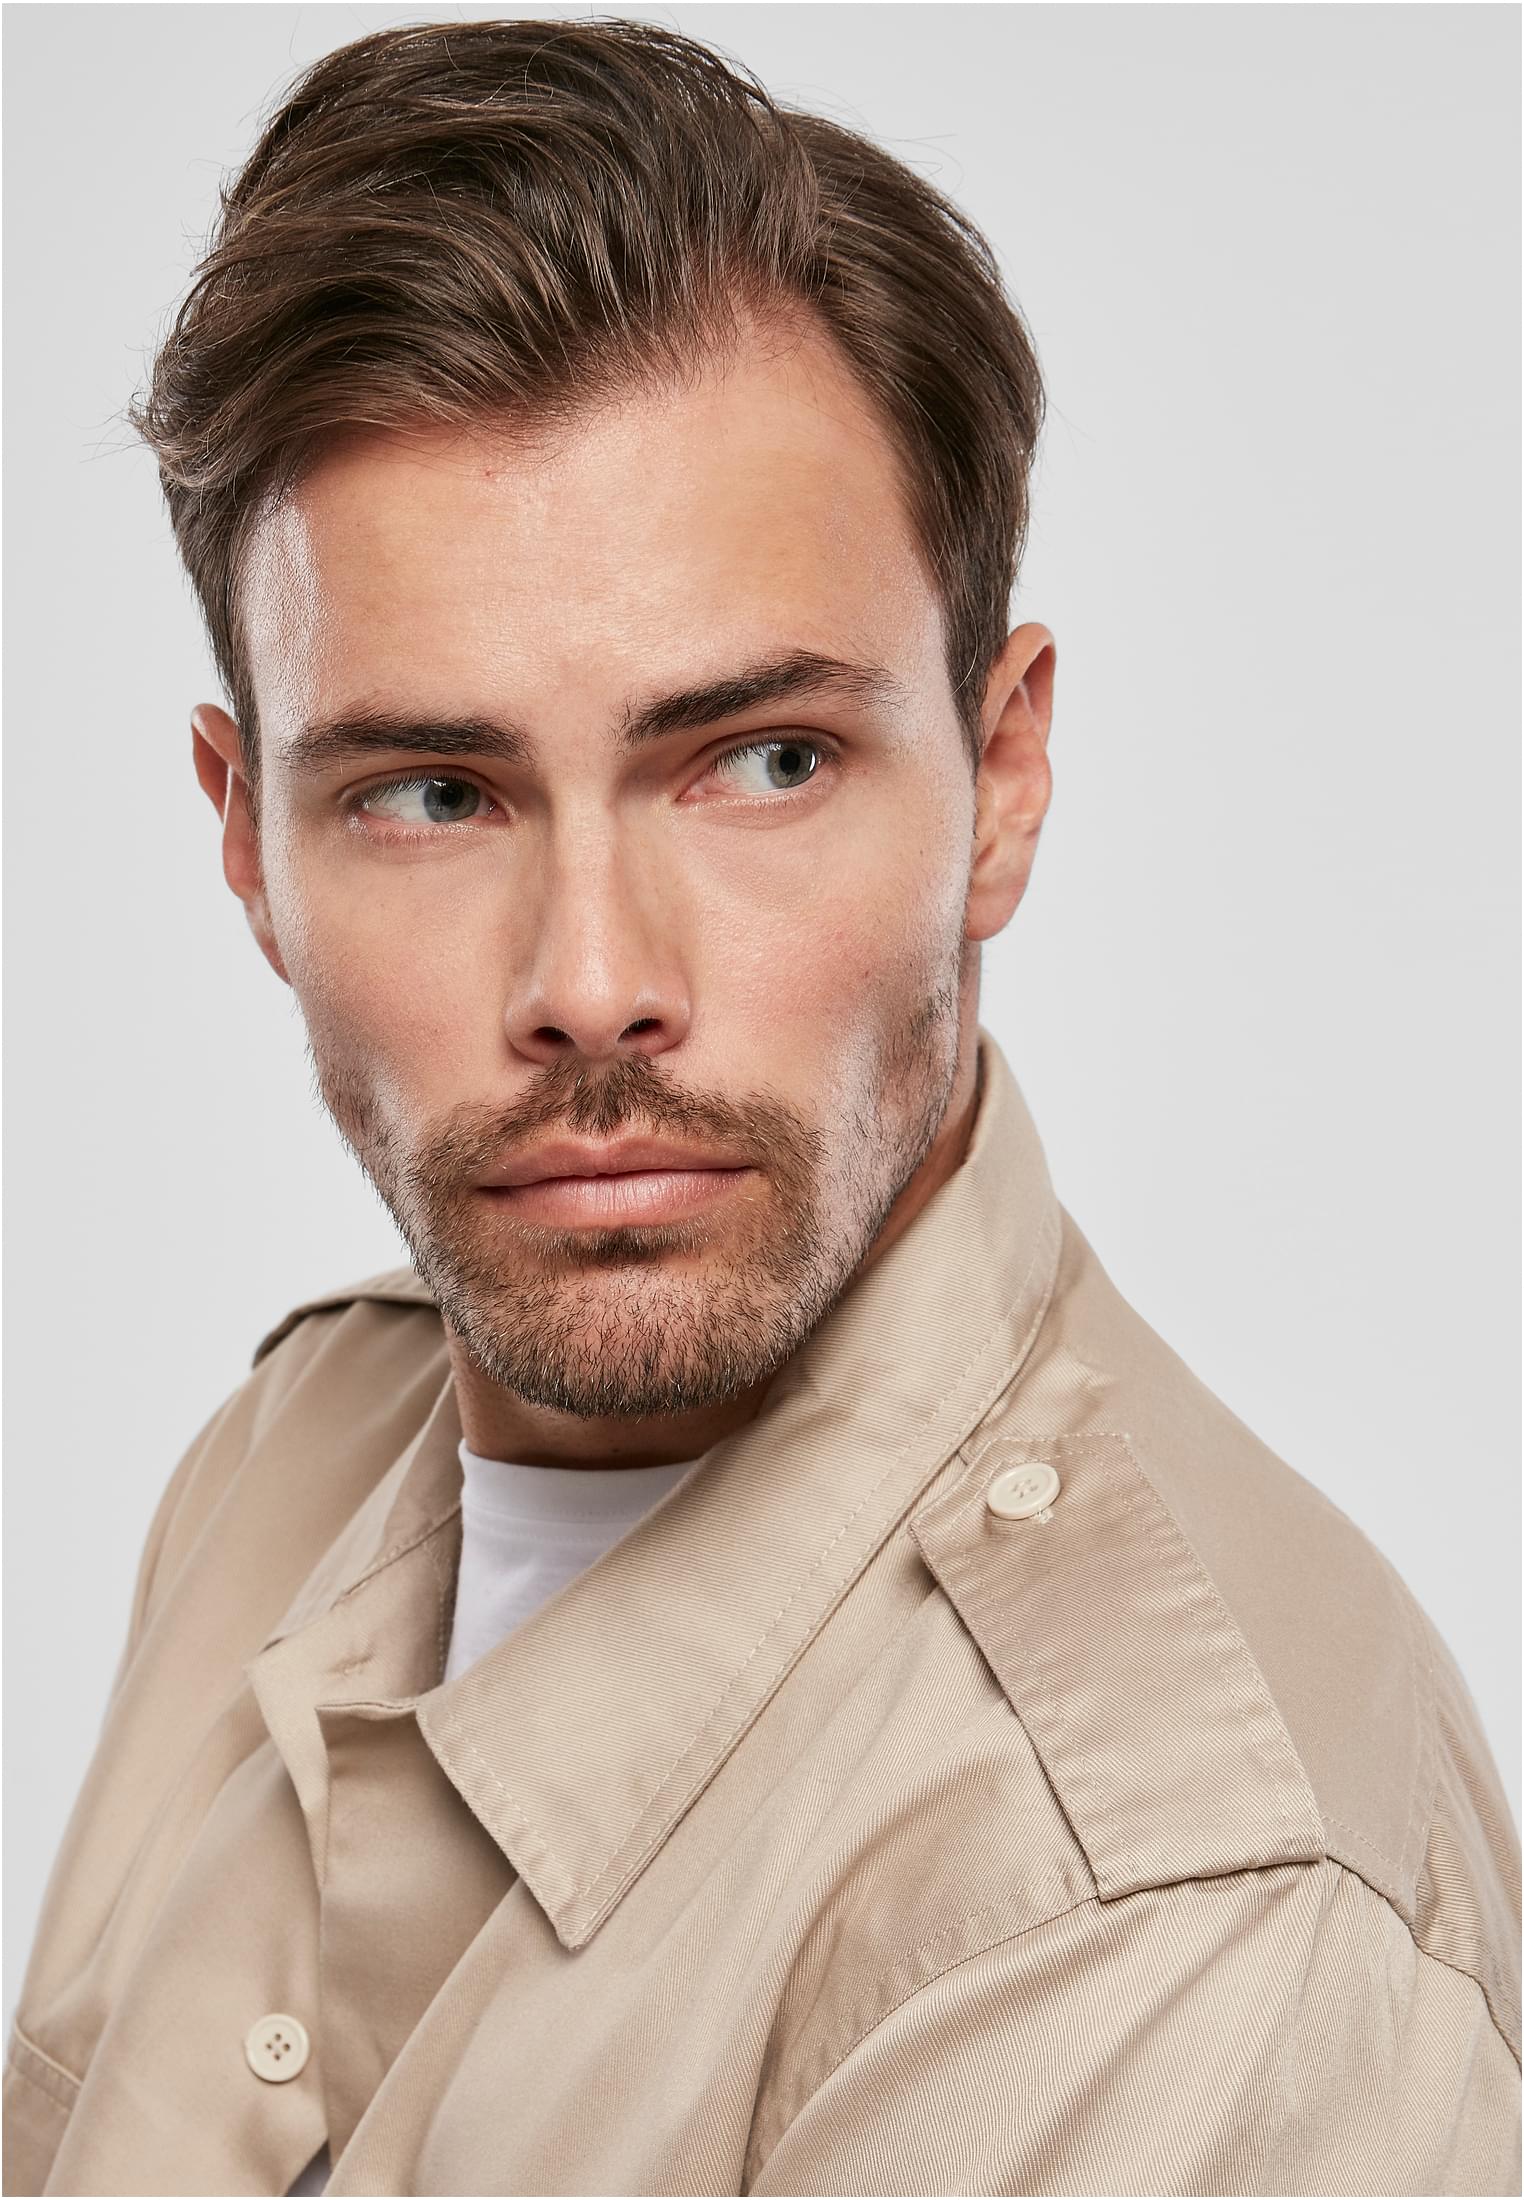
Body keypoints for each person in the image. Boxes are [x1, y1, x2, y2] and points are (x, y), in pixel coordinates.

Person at [4, 17, 1517, 2197]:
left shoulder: (1171, 1911)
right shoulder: (281, 1460)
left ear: (1001, 777)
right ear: (247, 842)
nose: (591, 982)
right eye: (431, 792)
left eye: (763, 761)